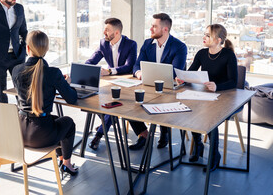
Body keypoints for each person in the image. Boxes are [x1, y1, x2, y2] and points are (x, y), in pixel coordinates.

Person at [12, 30, 78, 176]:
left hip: (19, 132)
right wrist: (66, 84)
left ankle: (61, 159)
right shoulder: (53, 73)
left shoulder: (16, 70)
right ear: (46, 50)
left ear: (28, 48)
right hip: (41, 135)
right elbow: (72, 98)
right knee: (68, 123)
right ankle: (66, 163)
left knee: (56, 121)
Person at [176, 24, 237, 172]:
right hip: (204, 94)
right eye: (205, 34)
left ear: (218, 40)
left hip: (224, 95)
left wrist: (217, 86)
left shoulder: (228, 55)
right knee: (191, 109)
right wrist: (183, 78)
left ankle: (214, 155)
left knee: (210, 117)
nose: (204, 37)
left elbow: (233, 81)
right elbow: (191, 72)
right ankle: (198, 145)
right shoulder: (202, 53)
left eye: (208, 35)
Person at [129, 13, 187, 150]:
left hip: (169, 90)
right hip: (147, 85)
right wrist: (139, 73)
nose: (150, 29)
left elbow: (174, 72)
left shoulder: (179, 47)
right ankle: (143, 134)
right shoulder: (147, 44)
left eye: (154, 26)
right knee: (128, 104)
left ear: (165, 29)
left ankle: (164, 132)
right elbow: (137, 65)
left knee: (162, 101)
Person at [85, 18, 137, 150]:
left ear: (117, 32)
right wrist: (83, 70)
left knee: (111, 106)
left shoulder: (131, 44)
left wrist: (109, 71)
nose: (104, 32)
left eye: (107, 30)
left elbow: (129, 66)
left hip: (127, 83)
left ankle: (99, 134)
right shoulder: (104, 43)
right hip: (110, 83)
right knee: (94, 100)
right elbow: (92, 61)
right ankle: (108, 121)